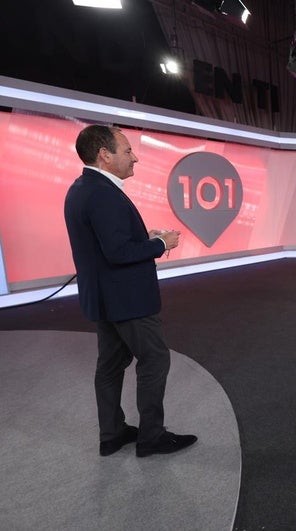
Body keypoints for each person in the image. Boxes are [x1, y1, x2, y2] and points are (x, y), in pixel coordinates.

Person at [64, 125, 197, 458]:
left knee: (109, 365)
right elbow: (118, 253)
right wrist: (158, 243)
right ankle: (151, 438)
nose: (134, 157)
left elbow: (105, 245)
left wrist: (141, 238)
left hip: (105, 299)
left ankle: (112, 434)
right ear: (104, 155)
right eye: (127, 151)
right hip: (128, 300)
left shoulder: (82, 188)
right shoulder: (101, 193)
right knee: (154, 360)